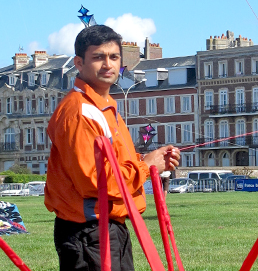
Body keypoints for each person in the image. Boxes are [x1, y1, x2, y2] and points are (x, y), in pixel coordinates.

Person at [44, 25, 180, 271]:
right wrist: (145, 166)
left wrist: (152, 161)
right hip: (89, 230)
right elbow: (94, 181)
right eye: (98, 57)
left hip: (107, 227)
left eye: (114, 57)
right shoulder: (80, 111)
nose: (108, 64)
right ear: (79, 63)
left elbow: (115, 161)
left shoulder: (103, 105)